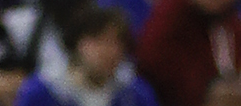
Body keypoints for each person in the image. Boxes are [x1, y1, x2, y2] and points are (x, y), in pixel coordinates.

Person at [16, 6, 159, 106]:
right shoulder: (42, 92)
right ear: (77, 43)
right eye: (99, 41)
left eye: (116, 42)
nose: (109, 51)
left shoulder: (135, 95)